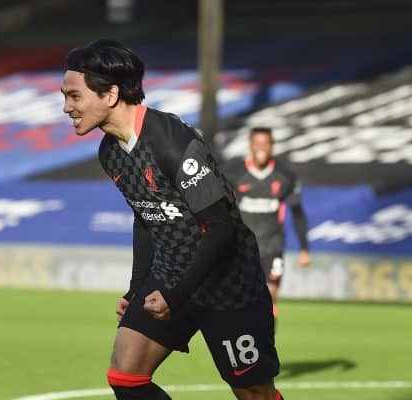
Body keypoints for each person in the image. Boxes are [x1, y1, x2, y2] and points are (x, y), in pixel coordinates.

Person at [61, 40, 284, 400]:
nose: (66, 107)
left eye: (74, 96)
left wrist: (175, 296)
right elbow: (145, 217)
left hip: (227, 282)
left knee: (254, 393)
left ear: (111, 94)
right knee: (125, 374)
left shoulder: (169, 140)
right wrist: (136, 289)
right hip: (170, 275)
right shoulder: (111, 153)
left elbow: (222, 225)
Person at [224, 127, 311, 321]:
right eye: (257, 143)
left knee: (268, 299)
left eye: (266, 144)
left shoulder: (285, 176)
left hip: (273, 246)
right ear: (251, 145)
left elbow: (298, 213)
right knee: (241, 300)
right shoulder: (234, 174)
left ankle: (265, 349)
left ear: (272, 146)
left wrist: (304, 249)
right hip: (242, 248)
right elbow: (220, 209)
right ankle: (244, 346)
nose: (261, 148)